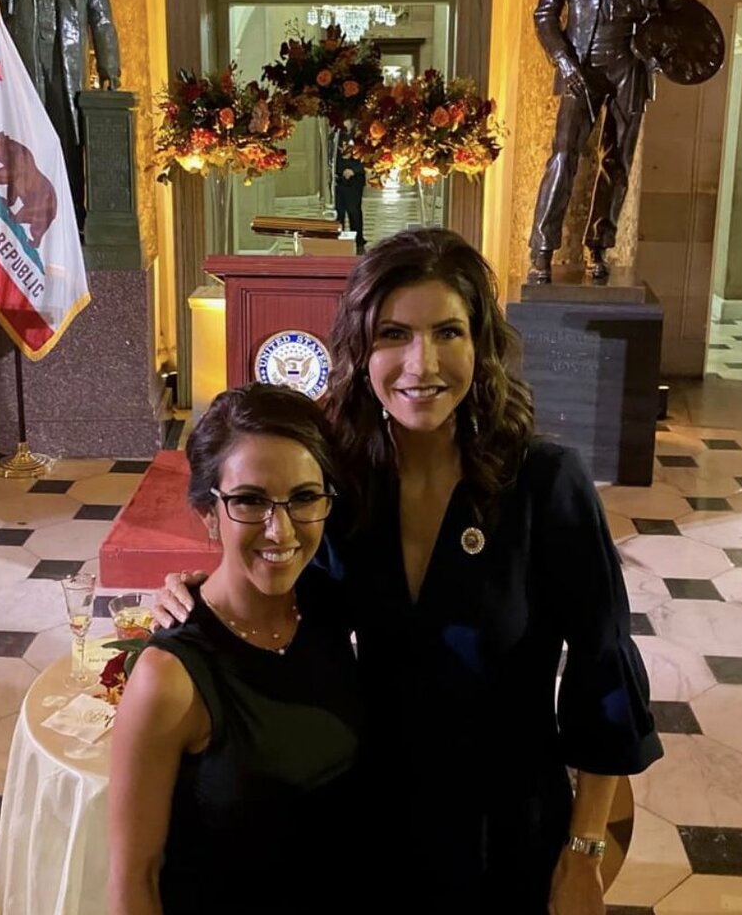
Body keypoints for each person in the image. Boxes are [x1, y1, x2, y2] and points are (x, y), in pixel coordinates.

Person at [155, 227, 662, 914]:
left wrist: (583, 849)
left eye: (447, 332)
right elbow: (288, 600)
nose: (422, 363)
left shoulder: (544, 484)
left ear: (480, 345)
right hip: (371, 810)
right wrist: (201, 595)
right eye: (393, 334)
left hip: (506, 820)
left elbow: (603, 671)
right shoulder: (341, 482)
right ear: (360, 350)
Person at [107, 383, 362, 915]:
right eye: (250, 500)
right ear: (208, 512)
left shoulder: (329, 610)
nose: (280, 529)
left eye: (304, 497)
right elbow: (133, 881)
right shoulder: (170, 677)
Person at [529, 0, 679, 283]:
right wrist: (565, 62)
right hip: (584, 60)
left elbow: (672, 14)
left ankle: (599, 245)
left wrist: (661, 54)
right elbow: (545, 13)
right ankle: (542, 248)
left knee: (618, 162)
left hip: (632, 63)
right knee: (564, 156)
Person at [0, 0, 121, 232]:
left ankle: (72, 218)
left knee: (68, 139)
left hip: (66, 62)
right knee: (26, 138)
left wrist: (110, 67)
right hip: (25, 61)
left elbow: (100, 16)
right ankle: (29, 218)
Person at [332, 132, 366, 254]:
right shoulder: (334, 135)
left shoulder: (361, 133)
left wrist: (354, 170)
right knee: (339, 212)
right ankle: (339, 242)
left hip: (354, 180)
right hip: (338, 179)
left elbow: (368, 157)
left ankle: (358, 241)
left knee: (353, 211)